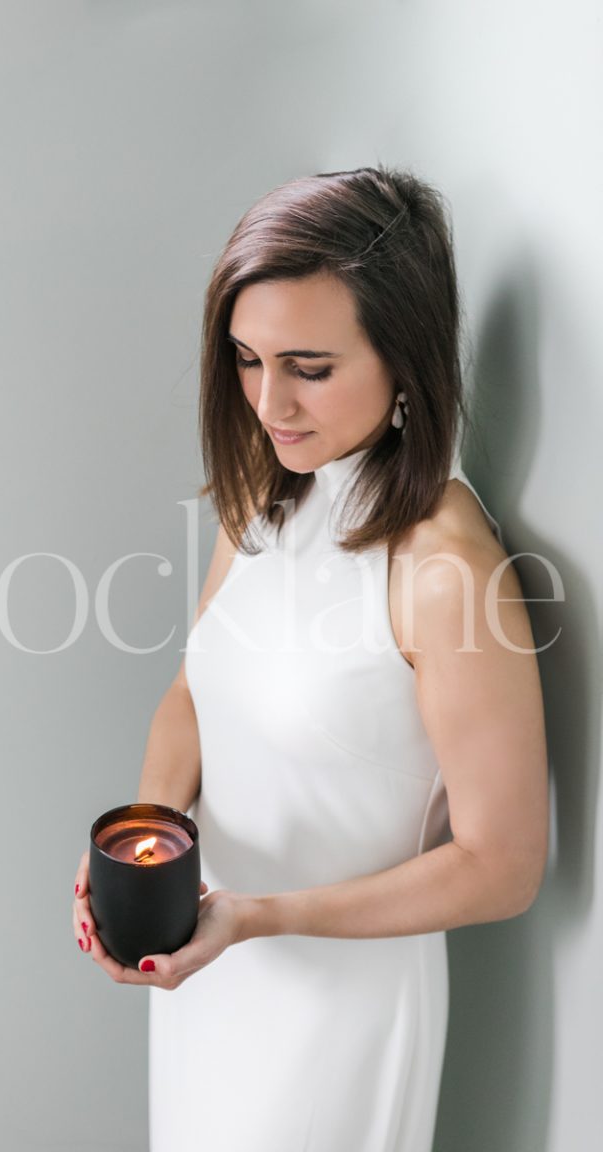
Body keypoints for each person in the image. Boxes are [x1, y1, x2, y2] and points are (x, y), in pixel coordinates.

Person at [72, 165, 550, 1151]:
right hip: (207, 967)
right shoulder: (271, 480)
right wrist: (147, 841)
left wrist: (259, 916)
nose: (269, 403)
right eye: (247, 360)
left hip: (338, 1015)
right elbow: (192, 686)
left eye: (309, 367)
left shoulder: (445, 571)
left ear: (405, 356)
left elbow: (504, 866)